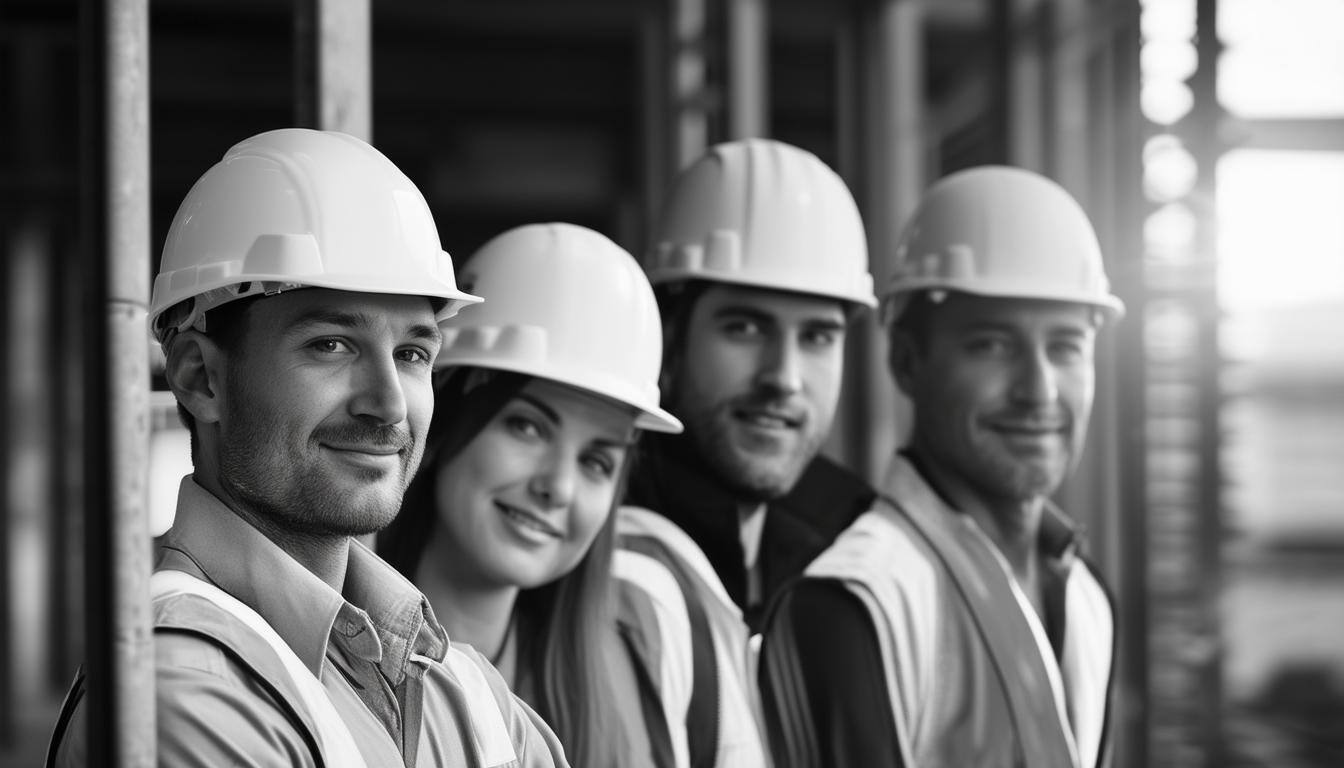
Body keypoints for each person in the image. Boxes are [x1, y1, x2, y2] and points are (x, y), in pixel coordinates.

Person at [47, 129, 569, 767]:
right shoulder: (181, 690)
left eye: (411, 354)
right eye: (331, 345)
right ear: (199, 378)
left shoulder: (459, 687)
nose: (389, 404)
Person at [759, 165, 1122, 768]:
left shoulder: (1087, 596)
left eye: (1065, 347)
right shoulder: (855, 602)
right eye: (992, 345)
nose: (1039, 391)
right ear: (906, 362)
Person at [378, 223, 688, 768]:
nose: (558, 487)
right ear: (443, 420)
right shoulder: (331, 661)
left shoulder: (621, 688)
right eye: (527, 427)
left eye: (597, 461)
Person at [614, 138, 878, 768]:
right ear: (669, 338)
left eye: (817, 336)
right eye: (745, 327)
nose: (783, 376)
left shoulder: (858, 550)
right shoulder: (588, 536)